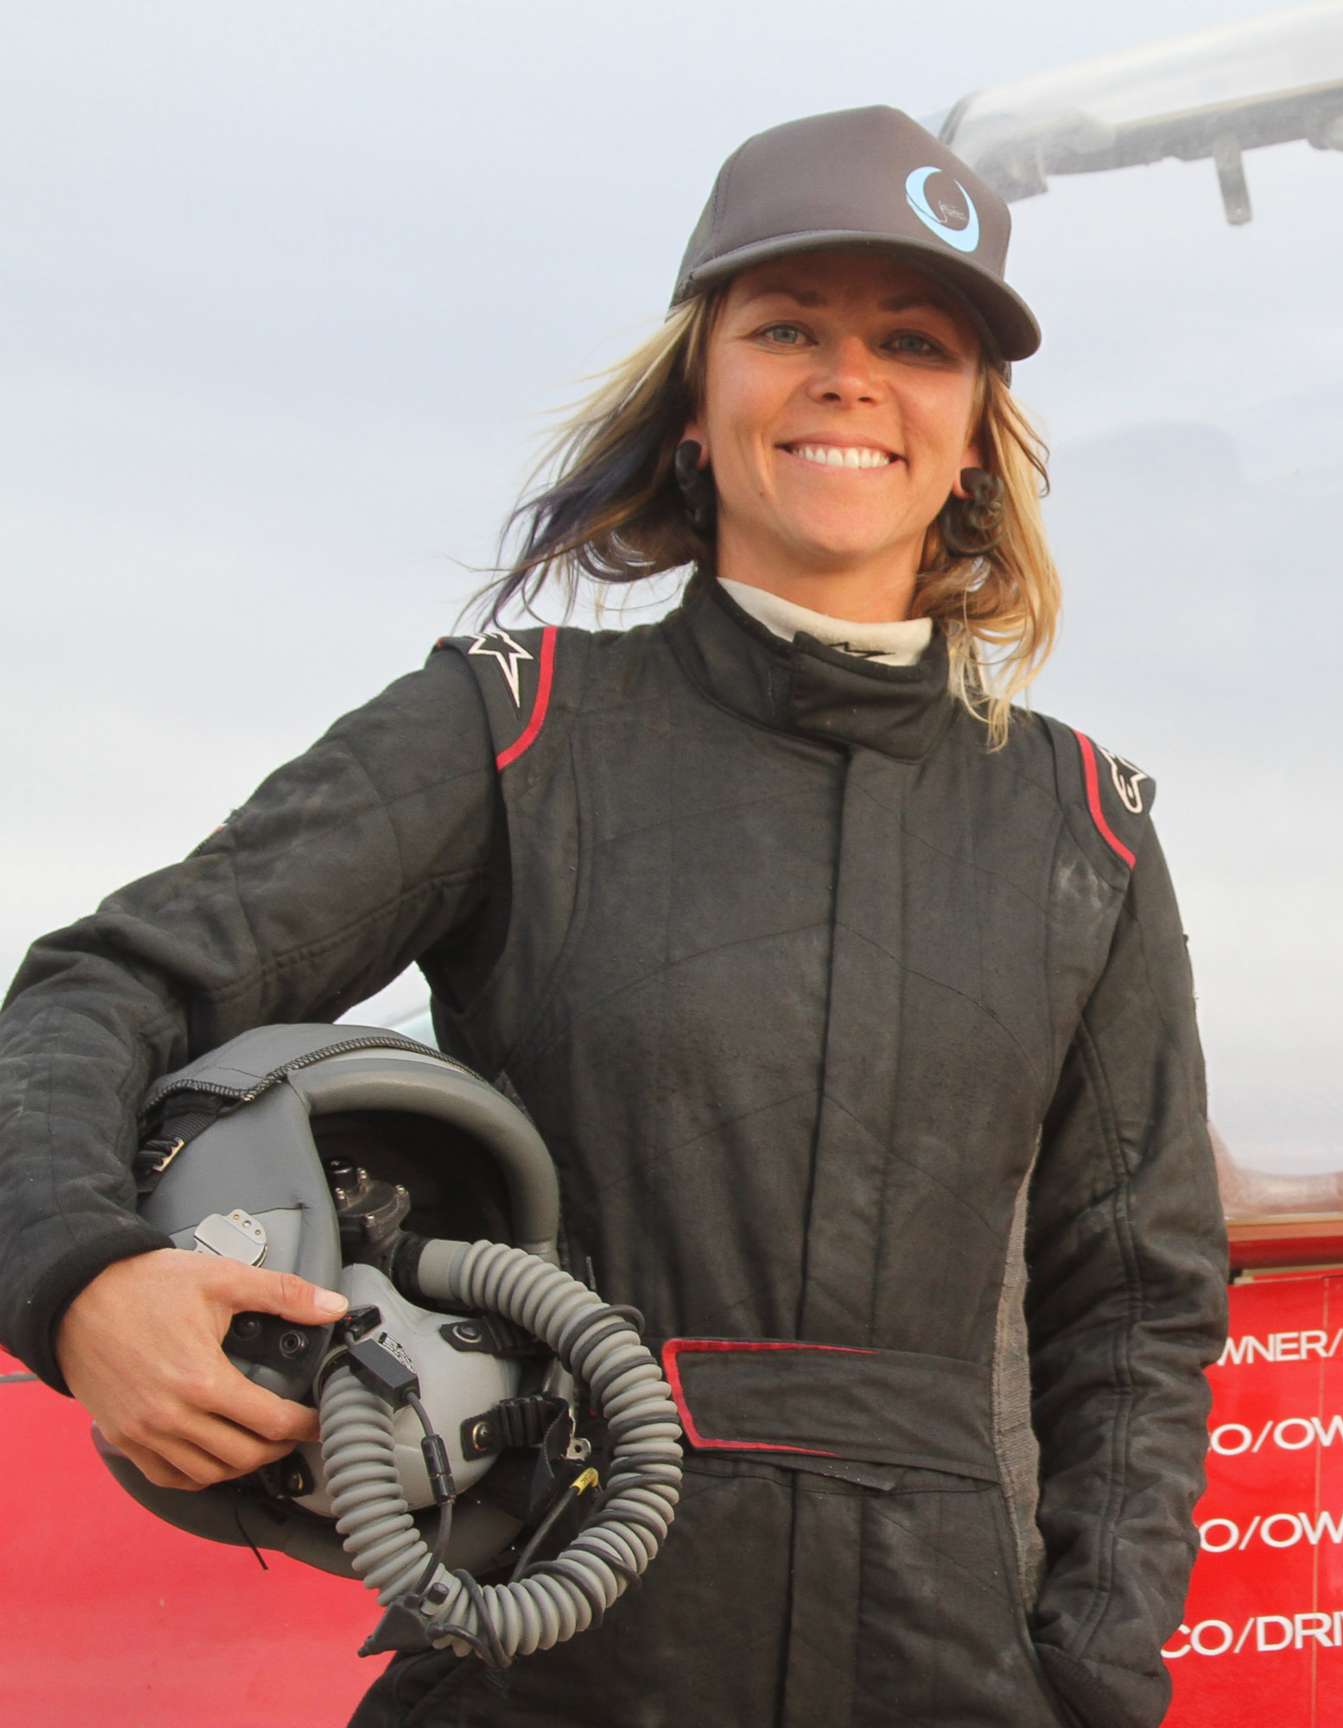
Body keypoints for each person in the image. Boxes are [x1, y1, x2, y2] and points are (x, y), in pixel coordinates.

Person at [0, 105, 1228, 1728]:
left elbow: (1136, 1304)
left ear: (974, 434)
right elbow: (97, 991)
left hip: (953, 1673)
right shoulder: (509, 730)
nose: (848, 378)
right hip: (553, 1642)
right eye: (786, 326)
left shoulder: (1088, 829)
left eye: (914, 343)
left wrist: (1095, 1679)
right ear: (695, 411)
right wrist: (79, 1284)